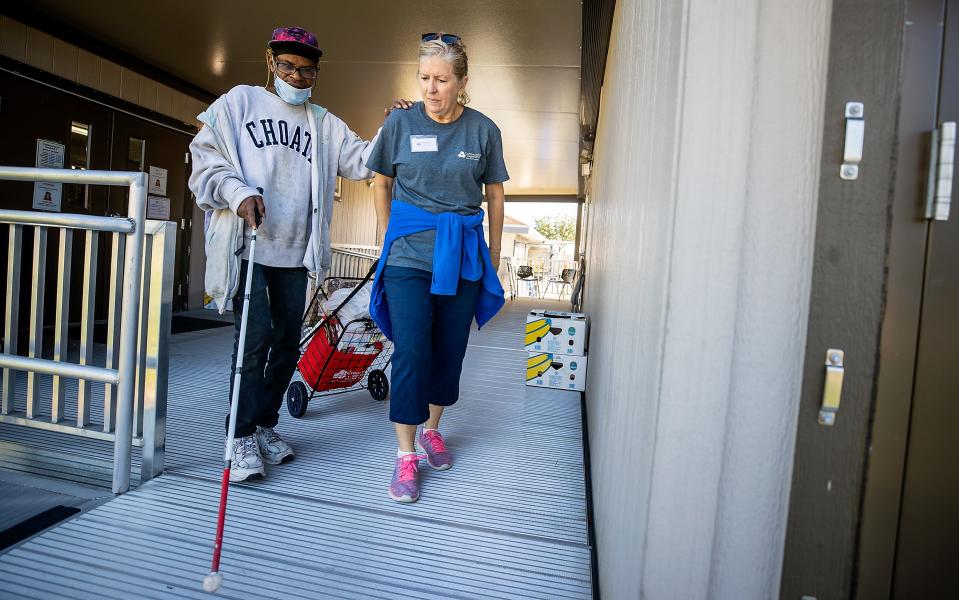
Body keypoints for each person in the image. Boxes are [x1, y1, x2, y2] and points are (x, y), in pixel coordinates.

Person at [189, 26, 383, 482]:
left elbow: (364, 160)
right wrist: (236, 193)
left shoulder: (324, 122)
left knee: (286, 346)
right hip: (251, 248)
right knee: (252, 344)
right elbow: (204, 158)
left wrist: (393, 127)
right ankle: (237, 436)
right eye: (288, 66)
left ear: (318, 71)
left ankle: (263, 426)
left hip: (297, 255)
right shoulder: (240, 102)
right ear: (270, 62)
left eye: (307, 69)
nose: (297, 76)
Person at [366, 33, 509, 502]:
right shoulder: (399, 123)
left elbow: (495, 194)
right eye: (425, 78)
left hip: (463, 255)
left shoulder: (483, 130)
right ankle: (405, 456)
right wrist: (392, 236)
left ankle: (432, 428)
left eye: (442, 79)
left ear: (462, 82)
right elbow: (380, 182)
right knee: (411, 350)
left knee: (450, 350)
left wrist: (493, 254)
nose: (431, 88)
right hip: (408, 258)